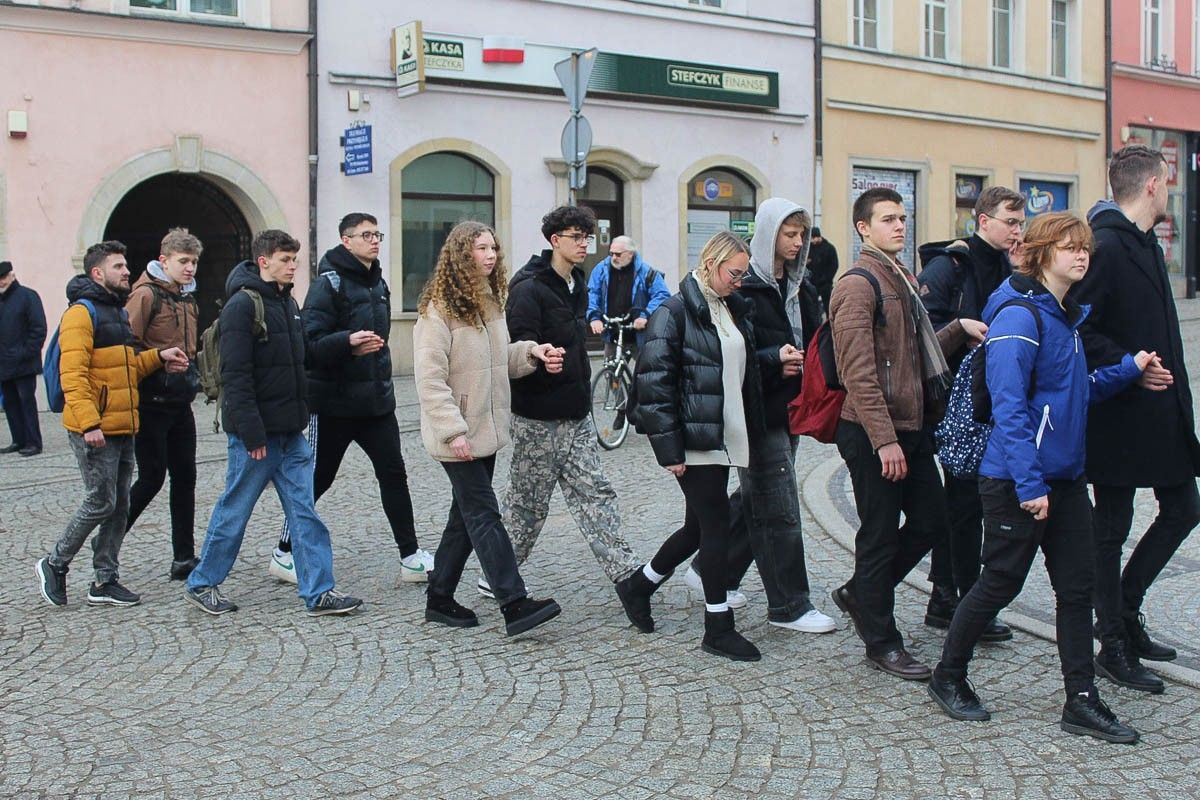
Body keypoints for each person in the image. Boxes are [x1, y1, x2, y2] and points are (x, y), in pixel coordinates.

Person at [928, 211, 1158, 744]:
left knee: (1077, 589)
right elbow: (1009, 407)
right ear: (1040, 253)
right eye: (1069, 246)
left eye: (1085, 247)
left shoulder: (1063, 315)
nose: (1081, 255)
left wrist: (1127, 370)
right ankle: (948, 674)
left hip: (1066, 479)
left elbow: (1071, 392)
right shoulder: (1019, 317)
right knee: (1000, 582)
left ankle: (1081, 700)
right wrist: (1030, 485)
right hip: (1016, 480)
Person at [828, 188, 985, 679]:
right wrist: (884, 440)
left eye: (902, 217)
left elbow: (912, 354)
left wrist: (957, 328)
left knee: (932, 521)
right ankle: (882, 640)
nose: (899, 226)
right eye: (888, 219)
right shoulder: (857, 285)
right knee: (878, 535)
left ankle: (863, 593)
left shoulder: (900, 277)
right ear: (863, 228)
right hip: (873, 431)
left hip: (911, 426)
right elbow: (858, 373)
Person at [1070, 144, 1200, 694]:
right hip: (1118, 412)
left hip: (1160, 410)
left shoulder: (1144, 241)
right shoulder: (1104, 245)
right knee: (1111, 528)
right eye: (1166, 182)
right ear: (1152, 185)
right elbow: (1078, 327)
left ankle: (1126, 607)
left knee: (1185, 507)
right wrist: (1128, 367)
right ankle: (1111, 643)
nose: (1169, 191)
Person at [184, 230, 362, 617]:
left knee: (305, 512)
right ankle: (202, 582)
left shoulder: (288, 303)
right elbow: (236, 375)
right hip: (258, 435)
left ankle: (319, 591)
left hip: (291, 432)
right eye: (285, 260)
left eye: (294, 259)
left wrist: (345, 343)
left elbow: (302, 357)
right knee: (235, 511)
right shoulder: (242, 306)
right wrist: (252, 435)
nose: (293, 266)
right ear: (264, 261)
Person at [617, 231, 767, 660]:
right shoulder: (674, 312)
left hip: (721, 434)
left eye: (743, 274)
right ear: (712, 264)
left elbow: (736, 366)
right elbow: (654, 386)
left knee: (698, 528)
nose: (740, 281)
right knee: (716, 525)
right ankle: (718, 627)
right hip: (693, 439)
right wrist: (671, 451)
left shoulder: (729, 307)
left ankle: (639, 585)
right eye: (734, 273)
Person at [414, 221, 567, 636]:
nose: (490, 255)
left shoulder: (489, 303)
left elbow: (499, 361)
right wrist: (452, 431)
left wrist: (532, 353)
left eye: (493, 248)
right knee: (483, 513)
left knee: (463, 518)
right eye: (481, 248)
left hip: (485, 430)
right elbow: (429, 380)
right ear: (461, 254)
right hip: (458, 435)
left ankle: (439, 598)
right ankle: (514, 603)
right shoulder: (438, 311)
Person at [690, 198, 836, 633]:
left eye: (801, 234)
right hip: (755, 409)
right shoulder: (742, 287)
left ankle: (711, 571)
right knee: (777, 504)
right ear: (769, 233)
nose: (797, 243)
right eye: (788, 234)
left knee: (758, 495)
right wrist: (775, 359)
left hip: (790, 406)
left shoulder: (802, 285)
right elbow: (726, 351)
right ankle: (789, 606)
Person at [268, 213, 430, 587]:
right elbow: (309, 347)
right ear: (346, 240)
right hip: (332, 405)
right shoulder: (328, 284)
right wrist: (347, 343)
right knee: (317, 478)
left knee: (394, 474)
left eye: (377, 234)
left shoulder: (379, 284)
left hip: (376, 402)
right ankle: (284, 552)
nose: (374, 241)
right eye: (366, 235)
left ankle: (410, 557)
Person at [495, 205, 642, 600]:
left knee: (596, 494)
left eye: (587, 237)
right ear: (554, 240)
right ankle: (499, 575)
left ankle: (629, 576)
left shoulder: (577, 283)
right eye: (576, 237)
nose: (584, 245)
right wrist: (538, 357)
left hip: (576, 414)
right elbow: (516, 349)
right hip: (538, 417)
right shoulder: (528, 288)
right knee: (527, 506)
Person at [35, 241, 189, 607]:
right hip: (95, 427)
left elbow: (125, 369)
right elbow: (72, 375)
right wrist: (90, 423)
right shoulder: (81, 314)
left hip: (122, 424)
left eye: (125, 265)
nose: (126, 271)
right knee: (100, 501)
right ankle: (54, 562)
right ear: (97, 272)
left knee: (119, 504)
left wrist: (157, 358)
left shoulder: (117, 313)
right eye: (118, 266)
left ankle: (104, 580)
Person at [917, 186, 1025, 644]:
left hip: (992, 402)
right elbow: (924, 333)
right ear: (983, 221)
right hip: (956, 406)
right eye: (1010, 222)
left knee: (971, 505)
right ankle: (958, 601)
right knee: (964, 506)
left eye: (1021, 223)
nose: (1017, 231)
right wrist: (960, 330)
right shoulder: (950, 267)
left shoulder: (1008, 264)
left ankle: (947, 598)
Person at [124, 229, 203, 580]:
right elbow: (125, 348)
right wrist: (158, 360)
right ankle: (107, 543)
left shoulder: (187, 298)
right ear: (164, 260)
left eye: (194, 262)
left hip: (180, 401)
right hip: (150, 402)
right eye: (183, 261)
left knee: (185, 478)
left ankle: (183, 557)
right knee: (151, 478)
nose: (190, 268)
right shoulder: (145, 295)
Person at [586, 234, 670, 361]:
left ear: (630, 254)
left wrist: (645, 315)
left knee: (646, 369)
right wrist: (594, 317)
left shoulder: (646, 271)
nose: (613, 258)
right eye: (611, 253)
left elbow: (662, 294)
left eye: (618, 254)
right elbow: (592, 293)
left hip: (639, 333)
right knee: (611, 369)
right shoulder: (601, 269)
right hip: (613, 332)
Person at [0, 260, 47, 456]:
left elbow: (39, 329)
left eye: (3, 277)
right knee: (10, 403)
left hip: (24, 363)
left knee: (26, 402)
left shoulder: (28, 296)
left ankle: (33, 442)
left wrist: (25, 352)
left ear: (12, 275)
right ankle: (18, 440)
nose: (1, 282)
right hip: (4, 363)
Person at [806, 227, 839, 314]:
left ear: (818, 237)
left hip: (825, 284)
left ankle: (830, 321)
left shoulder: (829, 248)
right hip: (812, 283)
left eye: (813, 238)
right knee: (811, 307)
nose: (812, 241)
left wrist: (827, 278)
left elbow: (834, 265)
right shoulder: (809, 249)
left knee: (828, 307)